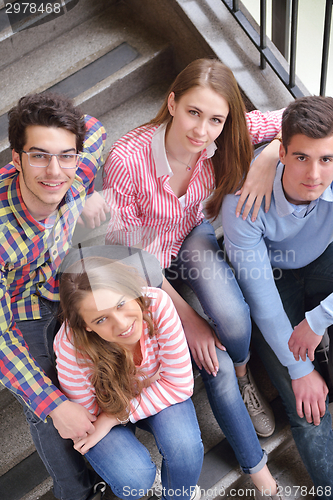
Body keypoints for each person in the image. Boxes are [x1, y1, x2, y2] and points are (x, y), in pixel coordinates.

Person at [103, 58, 286, 498]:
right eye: (193, 113)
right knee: (212, 362)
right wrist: (186, 316)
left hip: (190, 235)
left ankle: (246, 376)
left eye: (215, 119)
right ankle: (261, 476)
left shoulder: (224, 133)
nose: (202, 130)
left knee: (234, 320)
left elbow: (310, 112)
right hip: (136, 264)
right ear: (172, 103)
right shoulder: (127, 160)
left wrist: (271, 157)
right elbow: (126, 254)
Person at [0, 92, 160, 500]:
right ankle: (75, 490)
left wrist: (87, 194)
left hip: (62, 278)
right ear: (15, 159)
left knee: (148, 276)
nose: (55, 171)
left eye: (65, 156)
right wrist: (54, 405)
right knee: (46, 398)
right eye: (39, 156)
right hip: (19, 309)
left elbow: (98, 128)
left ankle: (131, 404)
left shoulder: (73, 172)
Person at [221, 95, 333, 496]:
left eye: (327, 160)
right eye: (301, 157)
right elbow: (261, 294)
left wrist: (319, 319)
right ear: (282, 151)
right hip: (275, 276)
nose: (315, 174)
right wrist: (300, 370)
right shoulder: (243, 203)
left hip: (326, 259)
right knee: (306, 407)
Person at [54, 256, 204, 500]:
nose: (122, 324)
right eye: (101, 319)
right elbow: (88, 420)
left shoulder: (156, 304)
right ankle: (154, 481)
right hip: (103, 409)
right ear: (86, 325)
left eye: (121, 304)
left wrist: (113, 417)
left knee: (186, 449)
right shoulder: (71, 348)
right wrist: (108, 418)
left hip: (145, 397)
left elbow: (179, 384)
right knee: (133, 478)